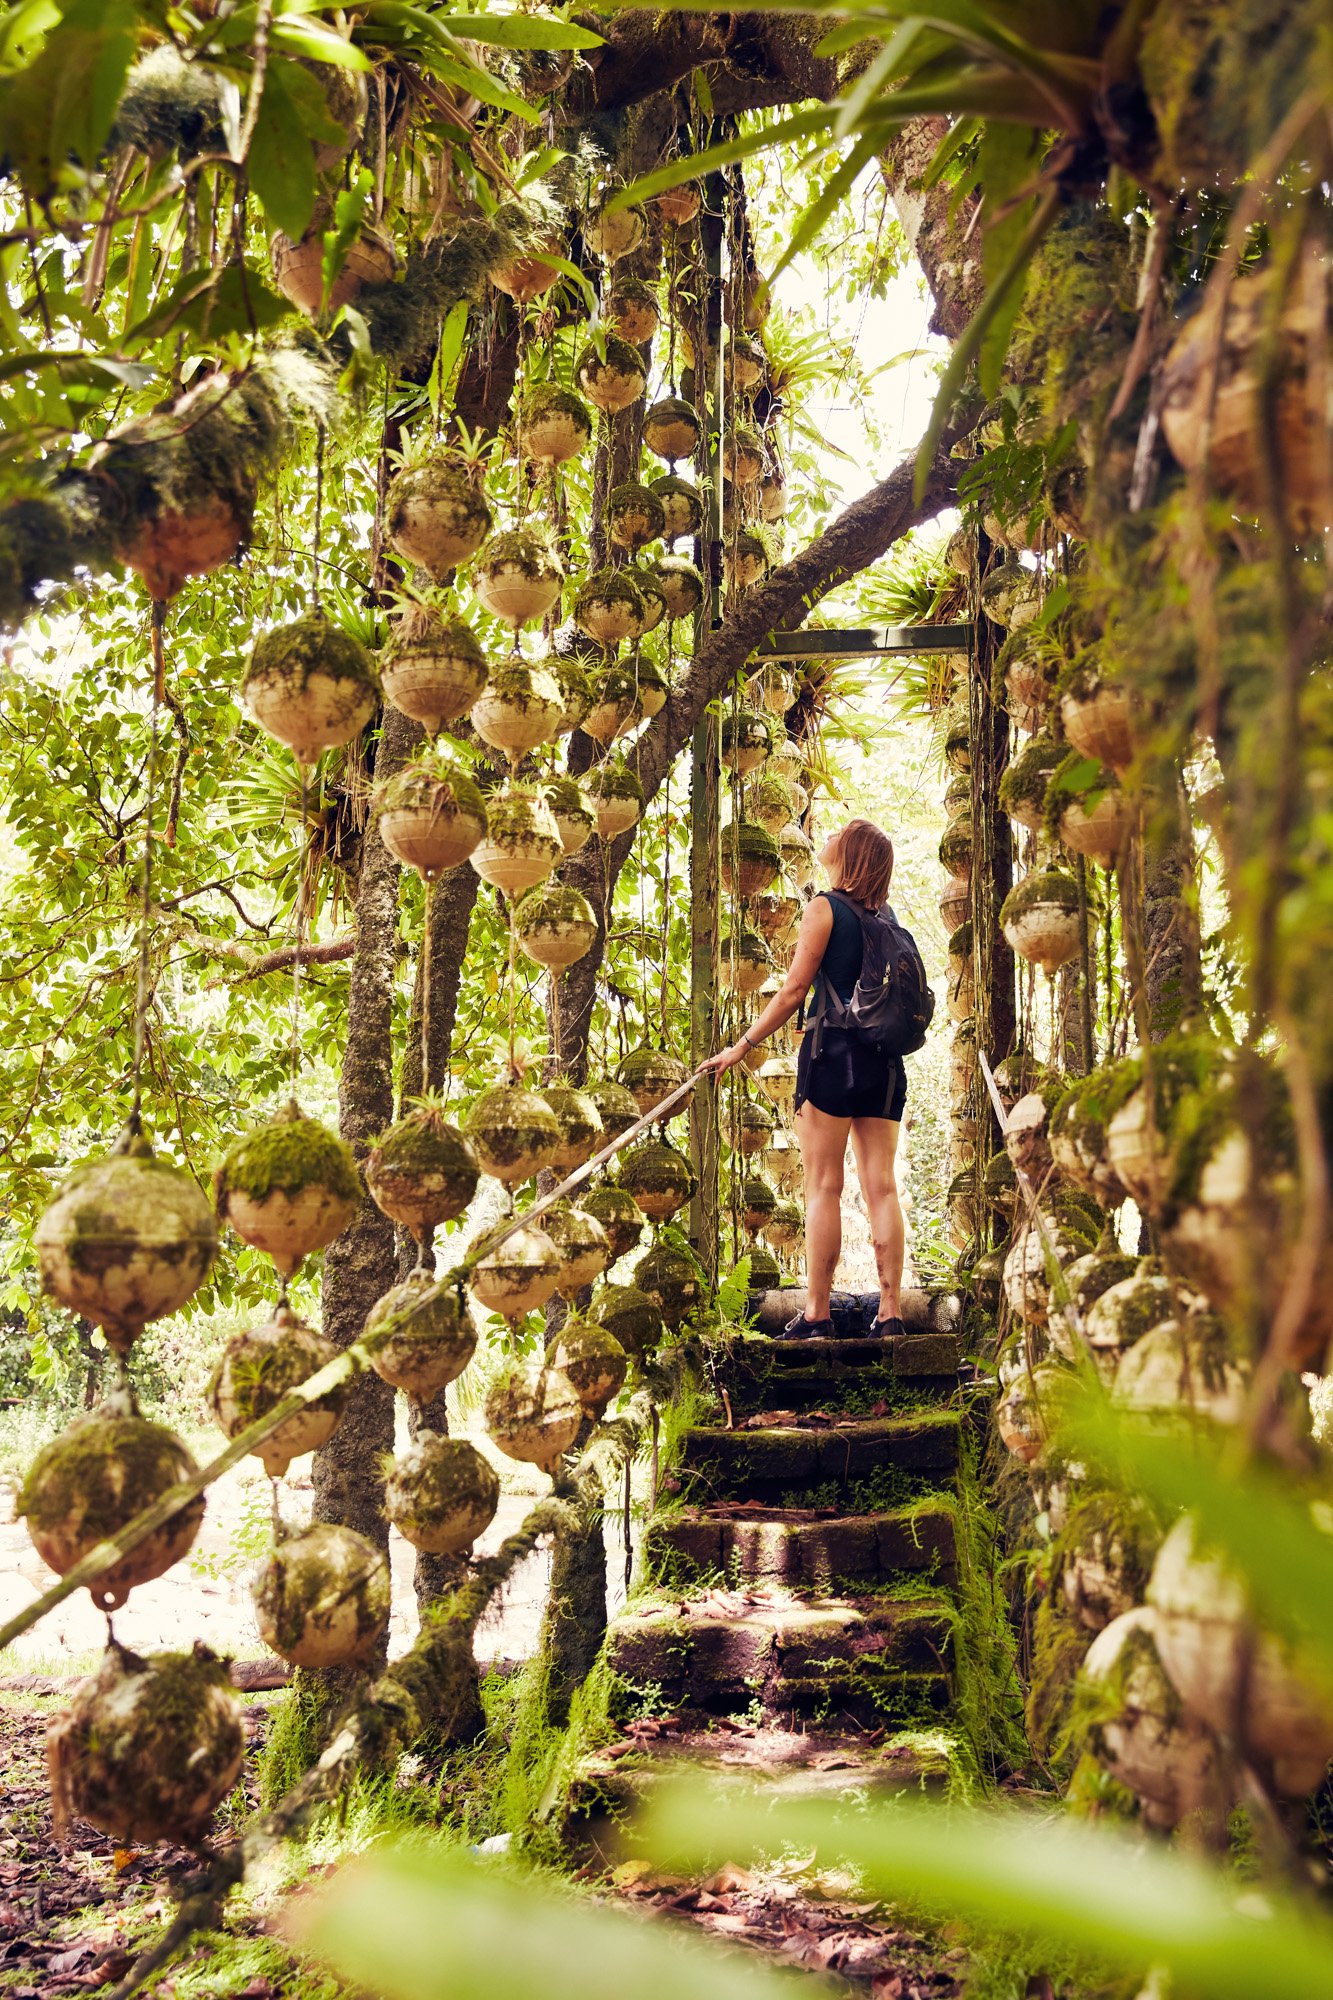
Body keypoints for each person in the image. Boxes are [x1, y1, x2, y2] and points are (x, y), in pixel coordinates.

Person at [703, 817, 907, 1339]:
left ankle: (817, 1314)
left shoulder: (824, 908)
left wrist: (740, 1047)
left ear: (851, 853)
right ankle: (890, 1315)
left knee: (823, 1187)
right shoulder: (888, 923)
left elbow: (794, 990)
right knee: (882, 1189)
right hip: (884, 1066)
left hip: (832, 1057)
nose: (829, 837)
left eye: (841, 833)